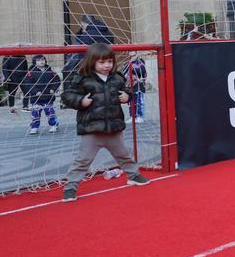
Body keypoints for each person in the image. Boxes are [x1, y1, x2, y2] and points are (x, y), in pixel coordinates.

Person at [59, 42, 148, 202]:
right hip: (92, 129)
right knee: (83, 160)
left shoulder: (117, 77)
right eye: (102, 62)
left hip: (114, 127)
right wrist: (80, 101)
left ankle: (133, 175)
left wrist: (127, 96)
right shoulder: (83, 79)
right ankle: (71, 187)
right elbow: (67, 95)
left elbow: (127, 90)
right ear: (92, 61)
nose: (107, 65)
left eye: (109, 62)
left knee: (124, 155)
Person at [23, 55, 61, 135]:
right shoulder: (31, 73)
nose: (42, 61)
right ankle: (34, 127)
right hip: (36, 98)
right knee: (35, 113)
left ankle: (54, 125)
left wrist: (53, 89)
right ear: (34, 62)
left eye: (43, 60)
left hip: (48, 96)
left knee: (50, 112)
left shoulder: (51, 71)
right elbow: (28, 84)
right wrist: (35, 91)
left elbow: (57, 80)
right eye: (39, 60)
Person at [125, 55, 148, 123]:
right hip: (130, 85)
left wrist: (137, 78)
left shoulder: (141, 62)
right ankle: (132, 116)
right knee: (131, 101)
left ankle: (139, 116)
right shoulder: (127, 63)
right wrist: (129, 77)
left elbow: (144, 74)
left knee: (139, 100)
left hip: (139, 84)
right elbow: (125, 73)